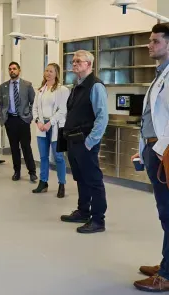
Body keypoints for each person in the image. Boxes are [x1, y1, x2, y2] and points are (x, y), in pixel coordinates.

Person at [131, 24, 169, 292]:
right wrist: (144, 148)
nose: (149, 45)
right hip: (154, 151)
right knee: (164, 213)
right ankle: (167, 263)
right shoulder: (160, 75)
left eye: (155, 41)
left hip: (165, 153)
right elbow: (151, 116)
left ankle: (166, 275)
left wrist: (159, 148)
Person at [59, 50, 108, 234]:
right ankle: (83, 211)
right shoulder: (76, 86)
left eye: (78, 61)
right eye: (73, 61)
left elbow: (102, 117)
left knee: (93, 181)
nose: (74, 64)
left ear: (89, 64)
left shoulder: (95, 86)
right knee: (80, 178)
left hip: (86, 142)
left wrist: (90, 142)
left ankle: (98, 220)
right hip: (73, 141)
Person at [0, 62, 38, 183]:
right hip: (10, 120)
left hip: (23, 120)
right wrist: (3, 115)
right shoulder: (3, 86)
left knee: (26, 146)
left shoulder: (27, 85)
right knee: (14, 147)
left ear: (19, 70)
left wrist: (29, 116)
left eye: (14, 69)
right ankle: (17, 171)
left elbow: (33, 102)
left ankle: (32, 172)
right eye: (10, 69)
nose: (12, 71)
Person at [32, 63, 69, 198]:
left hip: (56, 128)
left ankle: (62, 184)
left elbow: (63, 110)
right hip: (42, 128)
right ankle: (43, 182)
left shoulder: (62, 90)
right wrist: (38, 121)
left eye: (51, 71)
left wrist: (49, 123)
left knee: (59, 157)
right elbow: (34, 108)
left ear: (56, 73)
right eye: (46, 71)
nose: (48, 73)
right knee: (43, 157)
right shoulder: (40, 90)